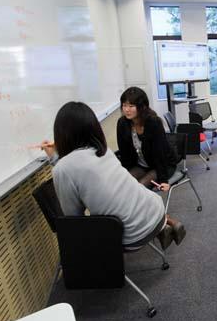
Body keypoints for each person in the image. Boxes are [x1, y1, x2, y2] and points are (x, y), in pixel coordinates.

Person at [40, 101, 185, 250]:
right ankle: (164, 226)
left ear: (61, 134)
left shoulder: (63, 169)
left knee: (83, 233)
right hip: (156, 209)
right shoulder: (103, 150)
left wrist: (56, 160)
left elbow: (74, 218)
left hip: (133, 235)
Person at [117, 87, 179, 190]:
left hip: (161, 165)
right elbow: (124, 153)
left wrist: (163, 180)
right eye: (124, 105)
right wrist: (125, 174)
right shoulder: (122, 123)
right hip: (140, 165)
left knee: (140, 188)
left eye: (131, 106)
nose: (127, 110)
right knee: (123, 186)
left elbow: (160, 153)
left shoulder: (153, 123)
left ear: (142, 107)